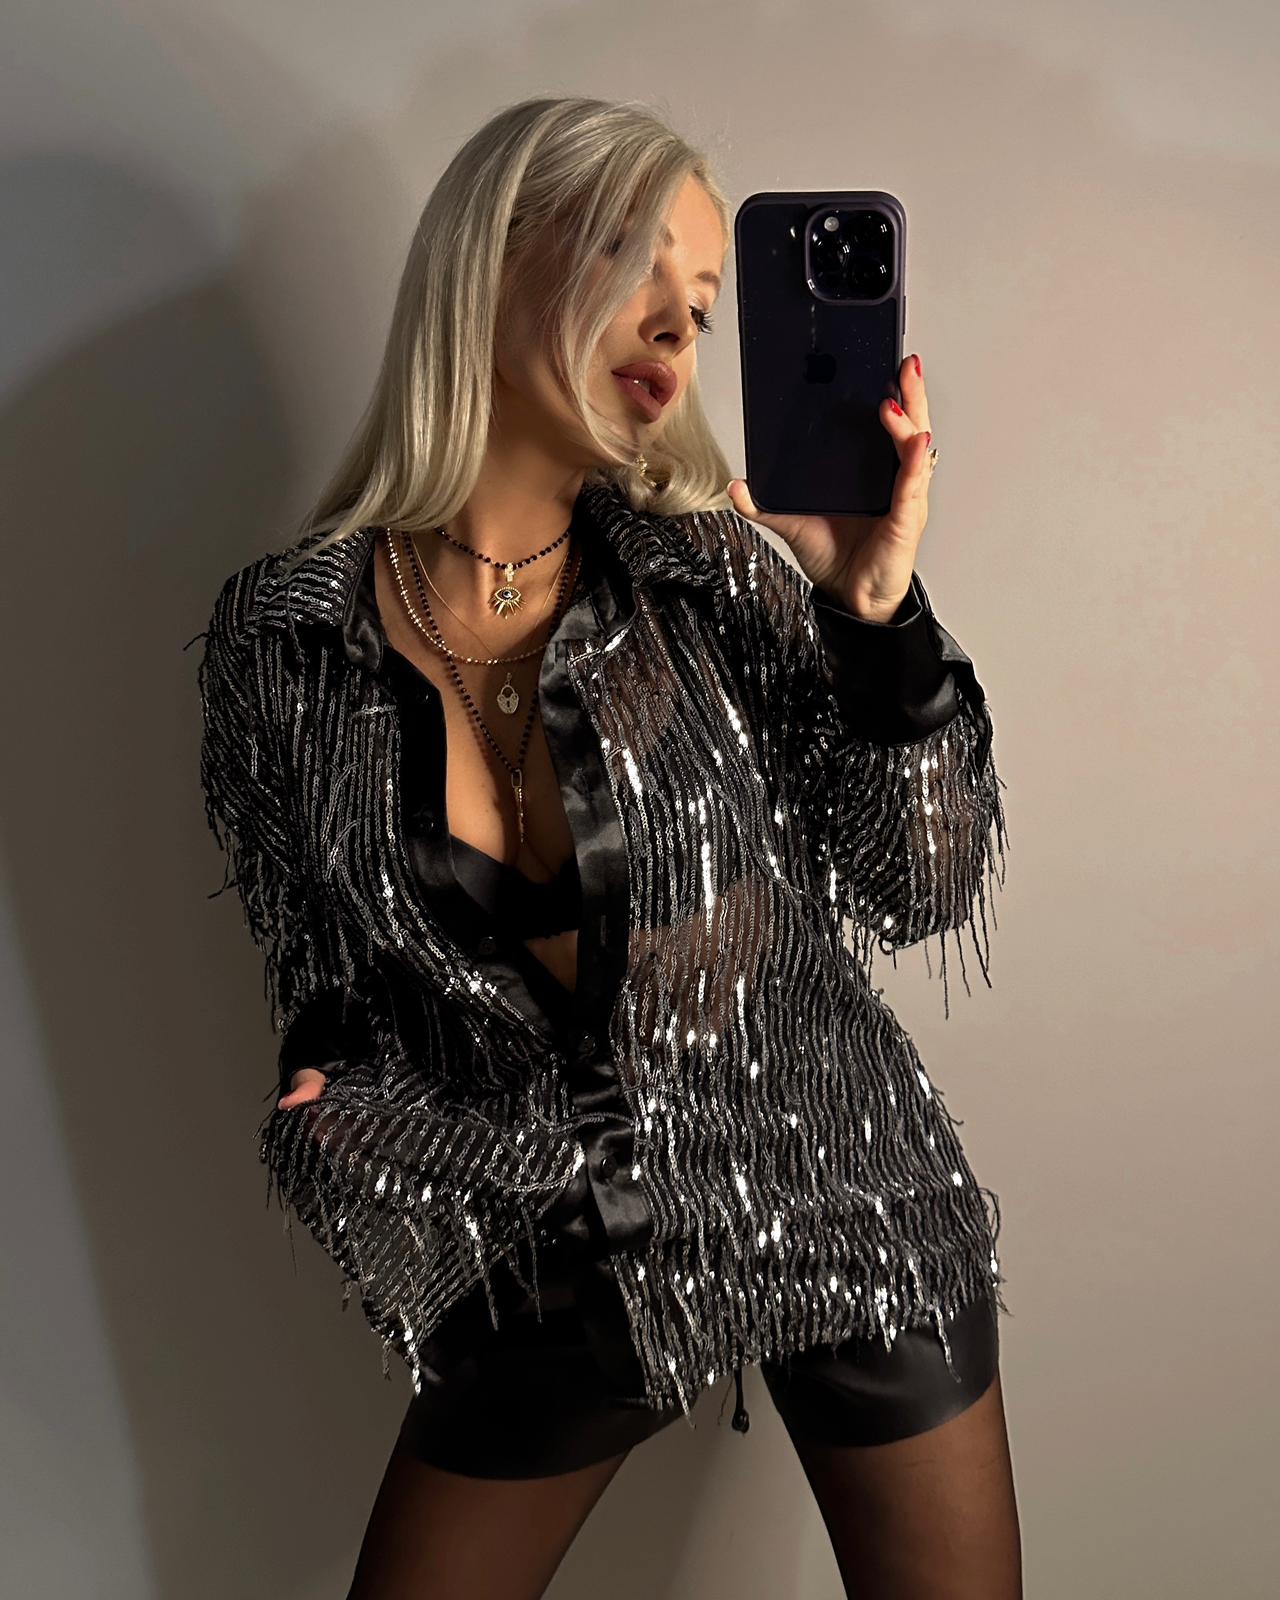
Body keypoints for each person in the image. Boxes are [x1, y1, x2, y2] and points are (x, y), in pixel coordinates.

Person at [195, 95, 1021, 1598]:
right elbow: (320, 957)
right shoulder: (283, 636)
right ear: (495, 253)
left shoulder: (704, 571)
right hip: (551, 1230)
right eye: (637, 258)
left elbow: (922, 882)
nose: (674, 329)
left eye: (702, 307)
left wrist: (875, 617)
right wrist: (331, 1090)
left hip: (836, 1187)